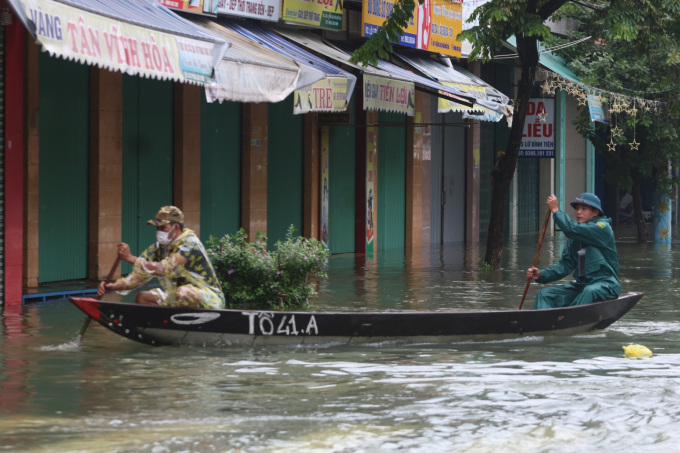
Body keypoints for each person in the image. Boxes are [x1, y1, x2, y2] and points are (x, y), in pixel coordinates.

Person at [98, 206, 226, 309]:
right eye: (157, 228)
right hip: (177, 299)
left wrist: (130, 257)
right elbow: (136, 278)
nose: (159, 231)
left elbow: (164, 269)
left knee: (183, 292)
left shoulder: (190, 243)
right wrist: (113, 286)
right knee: (142, 297)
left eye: (163, 227)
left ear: (175, 227)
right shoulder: (157, 249)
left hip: (210, 300)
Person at [526, 193, 620, 310]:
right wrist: (541, 274)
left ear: (595, 212)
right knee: (544, 294)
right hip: (582, 285)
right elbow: (565, 265)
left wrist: (555, 210)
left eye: (584, 208)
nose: (578, 212)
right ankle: (540, 323)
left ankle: (569, 319)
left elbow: (570, 229)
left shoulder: (602, 227)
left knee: (589, 291)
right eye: (577, 208)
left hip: (605, 285)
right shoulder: (575, 237)